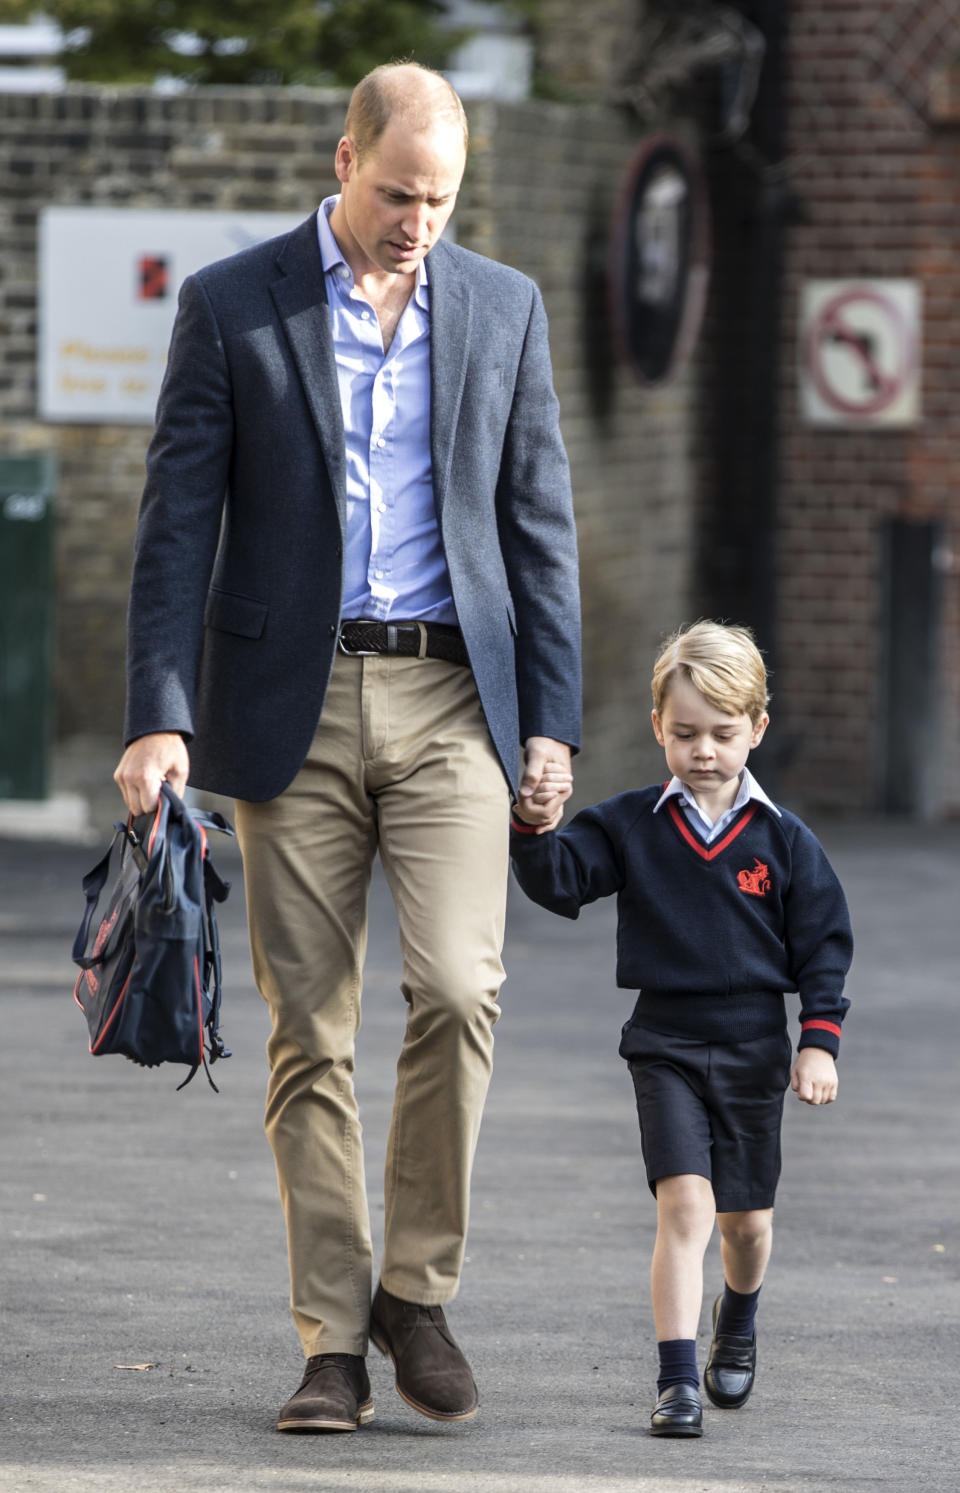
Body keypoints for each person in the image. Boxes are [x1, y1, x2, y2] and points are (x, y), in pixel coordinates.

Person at [114, 61, 580, 1432]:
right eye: (395, 192)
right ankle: (333, 1335)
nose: (415, 222)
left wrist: (550, 720)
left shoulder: (502, 308)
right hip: (289, 703)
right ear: (343, 160)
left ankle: (415, 1292)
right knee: (308, 1031)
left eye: (439, 200)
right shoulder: (233, 304)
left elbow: (539, 526)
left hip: (452, 704)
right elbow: (173, 526)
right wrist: (158, 711)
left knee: (459, 987)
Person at [509, 620, 852, 1437]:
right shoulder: (632, 823)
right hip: (662, 1041)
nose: (704, 750)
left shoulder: (783, 842)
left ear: (757, 730)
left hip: (754, 1048)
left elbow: (824, 944)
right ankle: (675, 1381)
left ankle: (738, 1317)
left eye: (724, 734)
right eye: (686, 732)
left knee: (746, 1224)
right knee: (685, 1210)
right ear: (658, 725)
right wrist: (532, 823)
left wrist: (818, 1039)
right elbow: (560, 881)